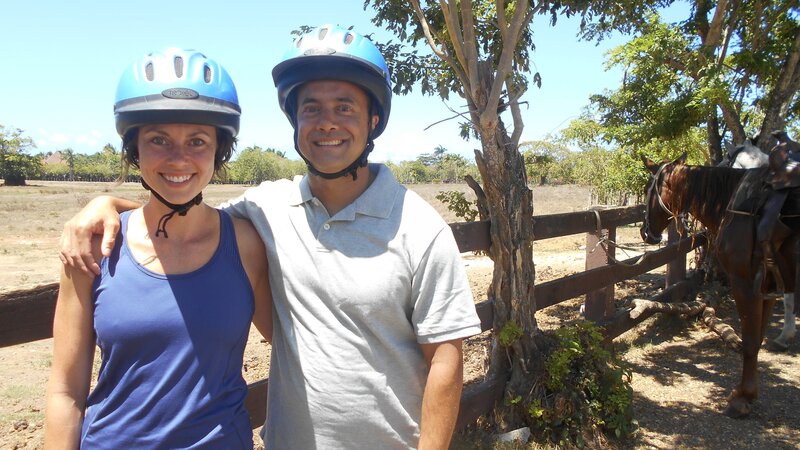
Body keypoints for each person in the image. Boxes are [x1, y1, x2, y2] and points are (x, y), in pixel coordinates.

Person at [60, 25, 481, 449]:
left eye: (344, 107)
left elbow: (446, 360)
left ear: (373, 120)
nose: (327, 122)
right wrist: (107, 204)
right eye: (311, 108)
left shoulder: (420, 228)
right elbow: (181, 210)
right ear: (295, 120)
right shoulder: (266, 207)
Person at [45, 48, 272, 449]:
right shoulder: (94, 247)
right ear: (135, 149)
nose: (178, 158)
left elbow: (292, 347)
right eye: (158, 140)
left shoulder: (246, 245)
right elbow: (65, 391)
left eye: (197, 141)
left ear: (219, 151)